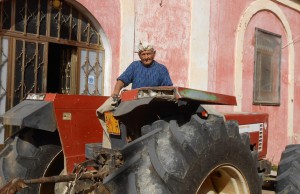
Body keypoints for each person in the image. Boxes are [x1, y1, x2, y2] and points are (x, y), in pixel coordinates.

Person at [97, 41, 173, 148]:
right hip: (134, 104)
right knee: (111, 112)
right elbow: (122, 80)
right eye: (143, 54)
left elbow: (168, 88)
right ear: (139, 55)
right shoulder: (134, 66)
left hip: (153, 105)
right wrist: (115, 91)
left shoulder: (161, 69)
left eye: (149, 54)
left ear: (154, 54)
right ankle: (119, 144)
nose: (146, 57)